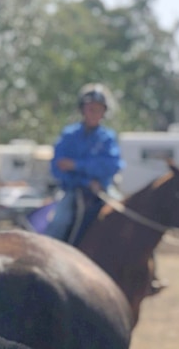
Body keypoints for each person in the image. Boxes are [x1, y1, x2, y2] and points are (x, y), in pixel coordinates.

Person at [45, 84, 123, 242]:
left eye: (99, 109)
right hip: (72, 192)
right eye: (90, 109)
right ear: (82, 109)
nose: (94, 113)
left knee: (123, 215)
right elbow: (57, 168)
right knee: (59, 222)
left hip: (103, 190)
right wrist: (86, 180)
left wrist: (76, 165)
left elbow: (112, 165)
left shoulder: (107, 138)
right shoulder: (68, 135)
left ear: (104, 112)